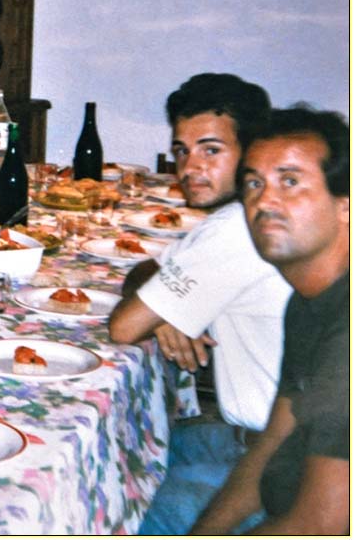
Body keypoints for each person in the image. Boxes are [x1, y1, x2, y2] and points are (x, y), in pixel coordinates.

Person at [107, 73, 290, 534]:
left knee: (121, 501)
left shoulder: (235, 229)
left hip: (280, 464)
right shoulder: (243, 214)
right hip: (252, 433)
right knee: (127, 449)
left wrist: (155, 310)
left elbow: (123, 327)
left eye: (211, 150)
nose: (190, 167)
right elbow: (148, 268)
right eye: (182, 150)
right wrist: (163, 314)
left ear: (251, 151)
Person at [192, 106, 349, 534]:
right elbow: (271, 445)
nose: (263, 201)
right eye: (254, 183)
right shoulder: (307, 302)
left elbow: (321, 524)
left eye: (290, 181)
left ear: (345, 206)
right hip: (281, 496)